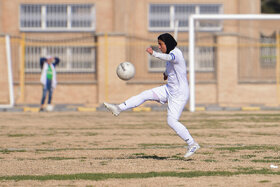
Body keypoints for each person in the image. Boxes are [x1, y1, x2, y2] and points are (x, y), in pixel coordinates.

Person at [104, 33, 200, 158]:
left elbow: (170, 58)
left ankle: (192, 143)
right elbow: (170, 66)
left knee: (171, 121)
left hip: (179, 94)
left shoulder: (176, 53)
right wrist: (166, 73)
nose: (159, 47)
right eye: (158, 45)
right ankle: (119, 108)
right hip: (168, 90)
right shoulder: (170, 55)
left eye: (161, 44)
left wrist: (153, 53)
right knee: (145, 94)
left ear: (168, 43)